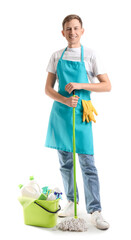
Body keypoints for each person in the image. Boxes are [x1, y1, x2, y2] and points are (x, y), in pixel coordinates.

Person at [45, 14, 111, 230]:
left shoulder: (90, 55)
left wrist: (82, 85)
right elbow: (47, 89)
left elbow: (106, 85)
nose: (72, 32)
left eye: (76, 28)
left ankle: (95, 210)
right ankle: (71, 201)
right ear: (62, 32)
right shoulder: (56, 56)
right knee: (65, 162)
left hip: (82, 113)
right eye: (68, 29)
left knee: (87, 163)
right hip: (61, 115)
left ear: (82, 31)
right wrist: (64, 99)